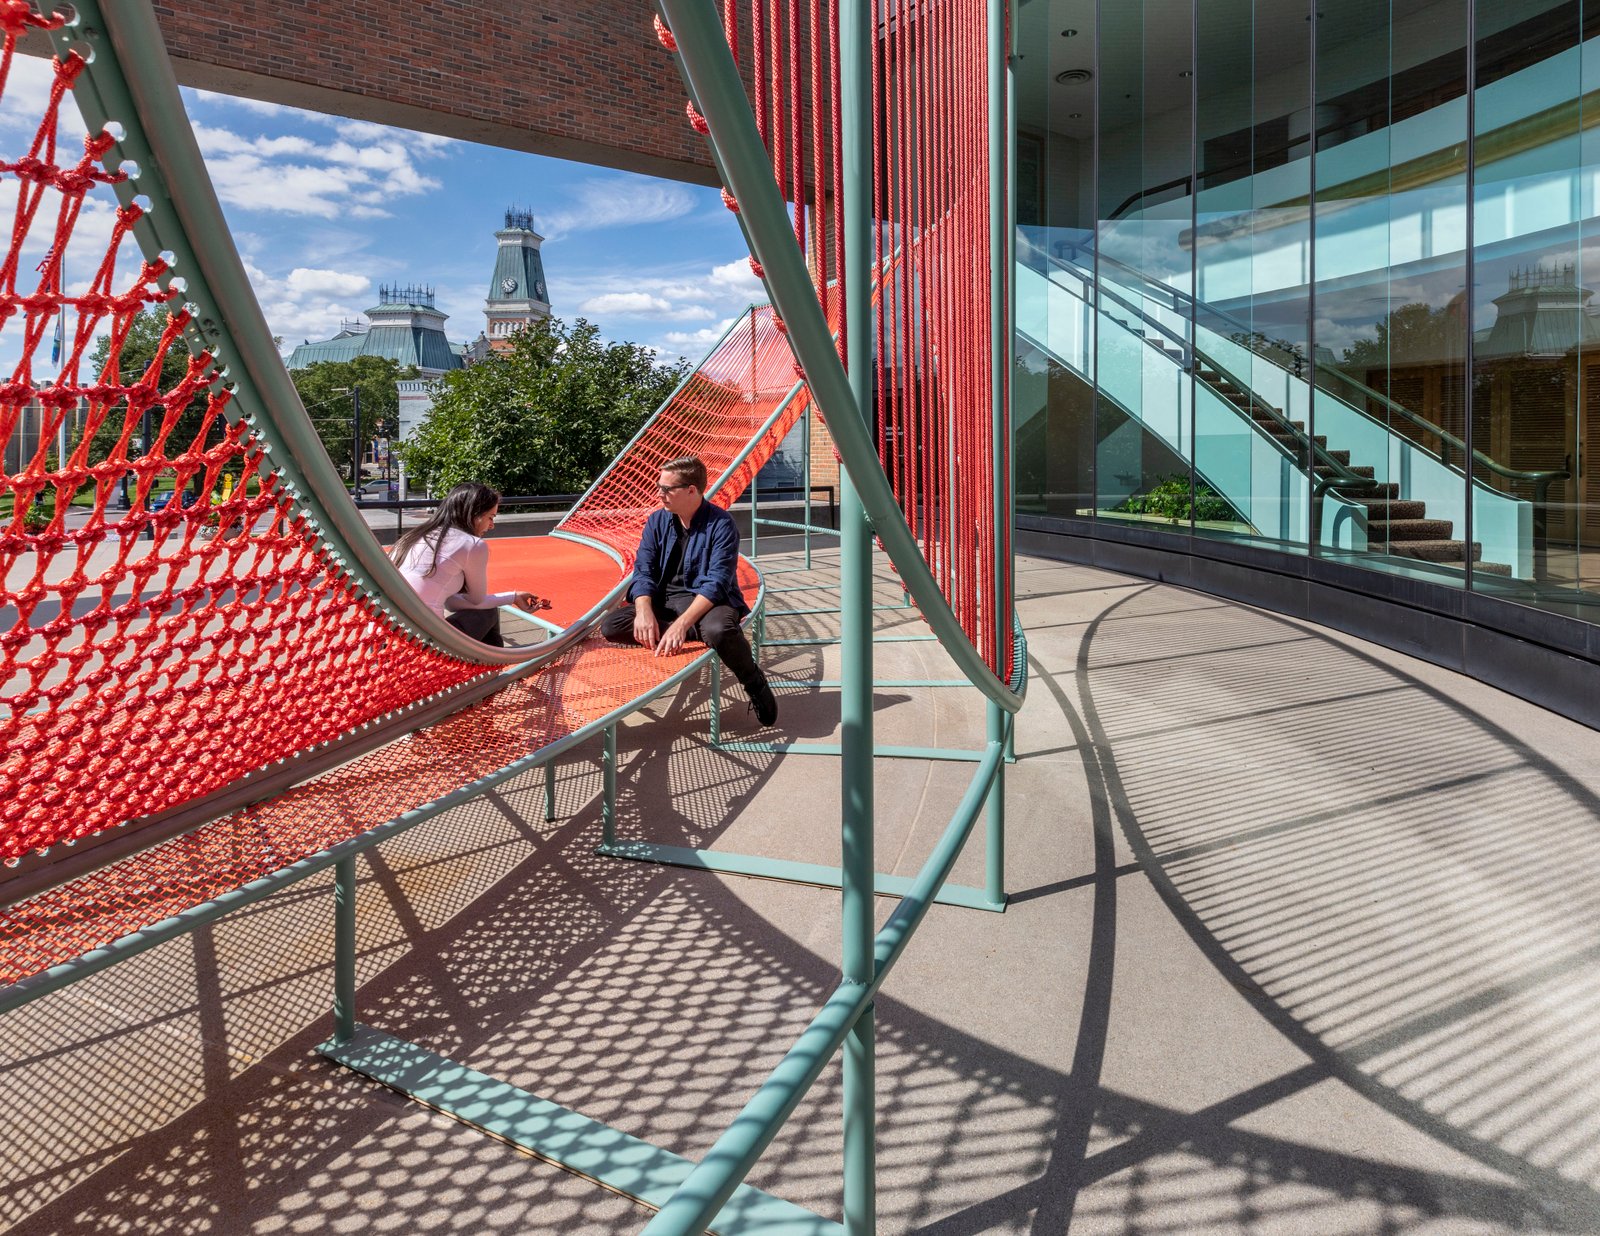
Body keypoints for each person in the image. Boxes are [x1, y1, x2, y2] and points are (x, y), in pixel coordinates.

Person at [601, 455, 777, 726]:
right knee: (611, 626)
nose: (659, 494)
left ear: (691, 490)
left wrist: (681, 624)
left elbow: (717, 583)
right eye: (659, 487)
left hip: (707, 602)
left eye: (667, 489)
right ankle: (689, 631)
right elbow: (644, 569)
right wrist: (644, 610)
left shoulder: (721, 524)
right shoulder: (657, 521)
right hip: (666, 601)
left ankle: (755, 683)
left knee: (719, 630)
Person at [391, 481, 547, 647]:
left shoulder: (412, 538)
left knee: (485, 611)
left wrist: (513, 597)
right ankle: (493, 660)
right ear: (475, 515)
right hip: (426, 645)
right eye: (490, 517)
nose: (492, 525)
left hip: (388, 639)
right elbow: (476, 601)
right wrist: (512, 597)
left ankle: (491, 660)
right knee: (488, 611)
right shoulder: (471, 544)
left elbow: (451, 603)